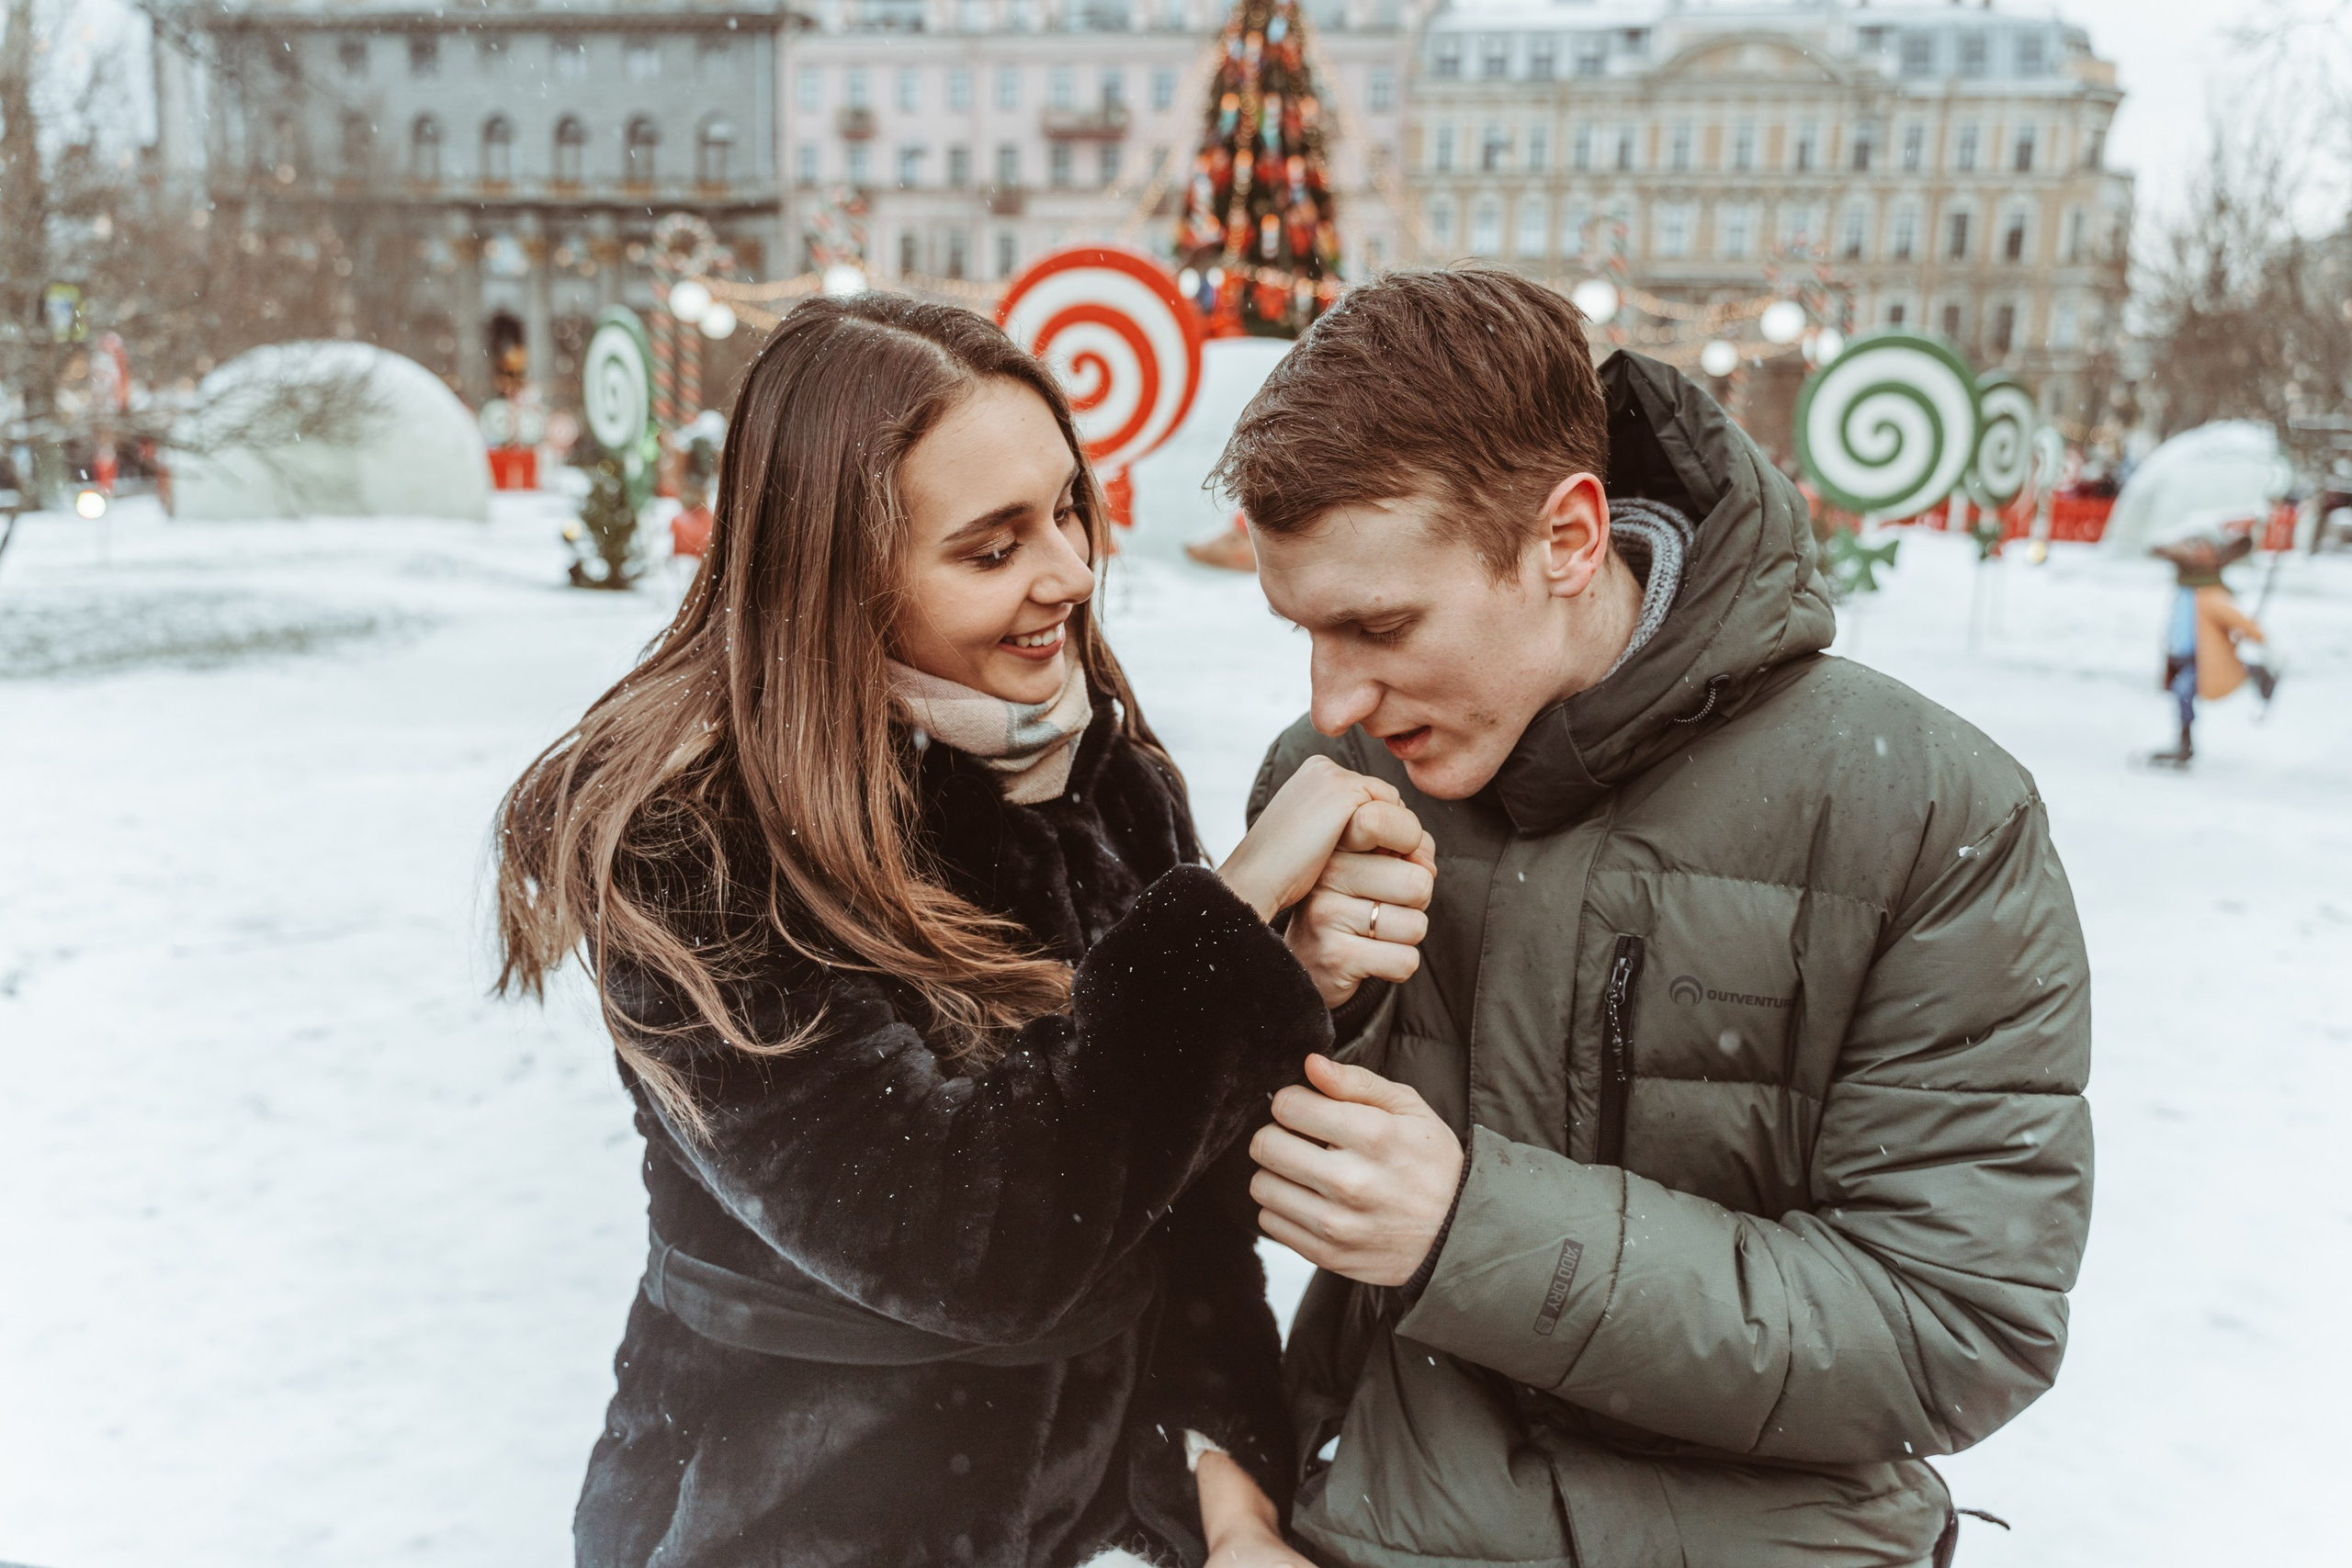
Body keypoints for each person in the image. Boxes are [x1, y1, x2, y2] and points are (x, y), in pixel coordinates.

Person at [494, 294, 1433, 1568]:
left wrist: (1227, 1485)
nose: (1069, 572)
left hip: (1088, 1517)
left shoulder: (1104, 779)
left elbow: (1176, 1208)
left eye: (1066, 508)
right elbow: (973, 1238)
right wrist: (1227, 915)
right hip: (785, 1519)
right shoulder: (698, 846)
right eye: (992, 550)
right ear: (838, 572)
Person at [1216, 270, 2094, 1568]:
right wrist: (1291, 993)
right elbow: (1160, 1213)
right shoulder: (1335, 779)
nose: (1335, 695)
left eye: (1380, 624)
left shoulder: (1925, 809)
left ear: (1567, 540)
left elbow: (1958, 1323)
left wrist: (1477, 1229)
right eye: (1301, 628)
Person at [2146, 530, 2273, 769]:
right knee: (2180, 691)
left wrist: (2251, 631)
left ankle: (2185, 745)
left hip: (2203, 659)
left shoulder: (2212, 595)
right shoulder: (2185, 590)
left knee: (2183, 690)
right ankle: (2184, 743)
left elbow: (2246, 627)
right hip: (2180, 655)